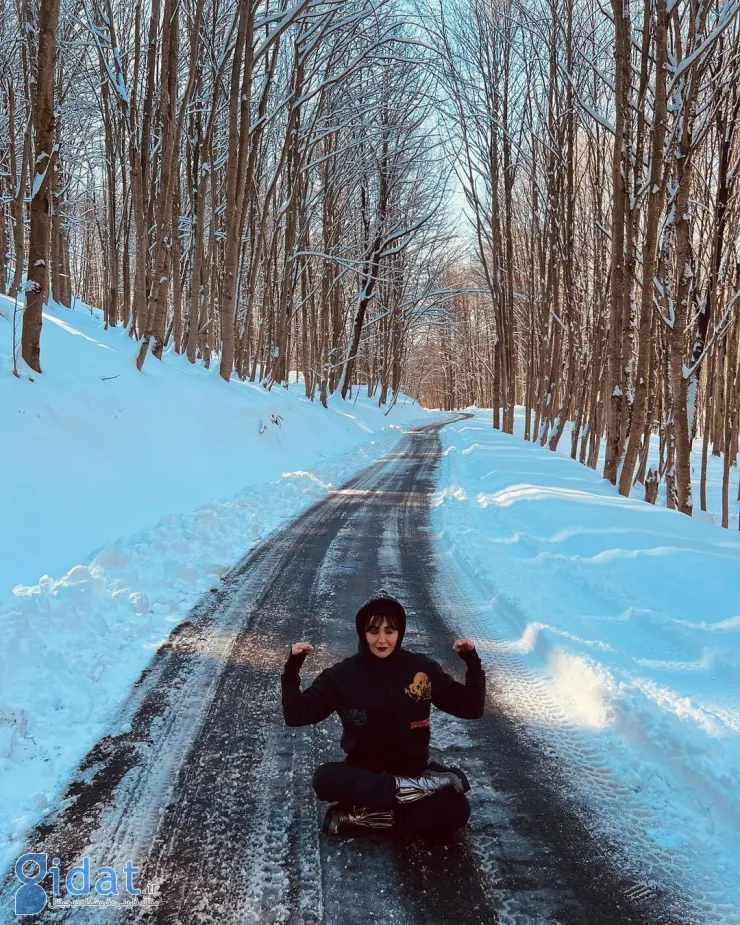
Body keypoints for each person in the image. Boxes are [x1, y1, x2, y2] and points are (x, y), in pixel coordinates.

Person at [280, 589, 486, 837]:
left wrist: (472, 664)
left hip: (411, 770)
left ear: (399, 633)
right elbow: (297, 715)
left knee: (457, 809)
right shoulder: (342, 676)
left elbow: (471, 708)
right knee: (324, 779)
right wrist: (292, 671)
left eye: (390, 631)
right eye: (373, 630)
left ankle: (364, 818)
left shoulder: (421, 669)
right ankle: (407, 794)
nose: (382, 640)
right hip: (365, 776)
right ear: (362, 632)